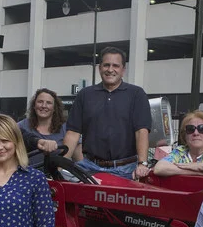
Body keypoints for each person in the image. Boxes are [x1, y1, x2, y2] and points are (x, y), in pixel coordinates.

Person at [61, 46, 152, 180]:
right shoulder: (85, 95)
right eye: (106, 65)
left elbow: (141, 131)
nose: (110, 69)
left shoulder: (136, 94)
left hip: (127, 170)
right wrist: (61, 164)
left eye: (115, 65)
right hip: (90, 167)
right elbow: (73, 133)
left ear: (123, 70)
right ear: (99, 68)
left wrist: (142, 164)